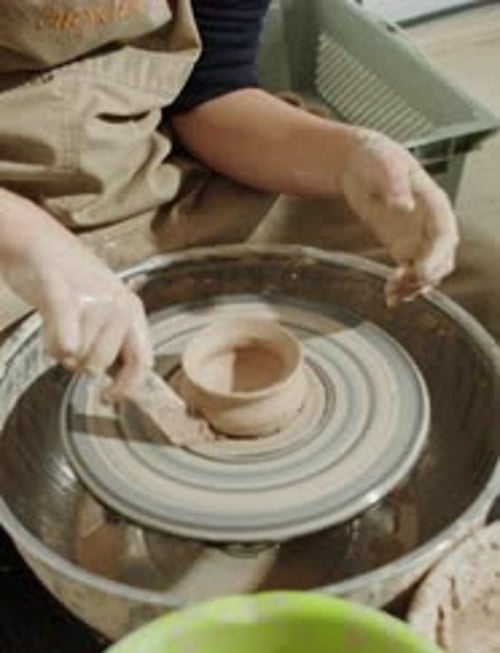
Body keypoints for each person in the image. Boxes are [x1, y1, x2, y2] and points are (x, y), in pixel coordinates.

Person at [0, 0, 458, 398]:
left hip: (156, 173)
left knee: (469, 293)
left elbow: (211, 89)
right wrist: (31, 243)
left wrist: (349, 157)